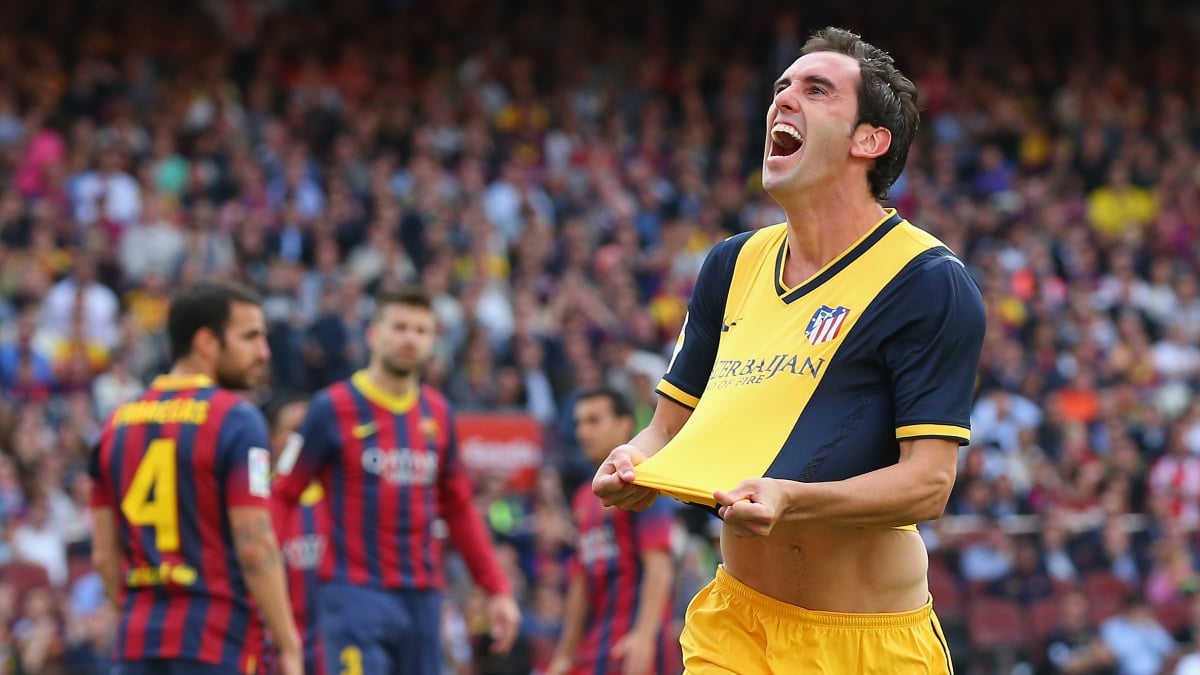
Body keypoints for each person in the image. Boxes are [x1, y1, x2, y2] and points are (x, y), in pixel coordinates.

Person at [593, 27, 986, 673]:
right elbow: (668, 427)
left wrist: (794, 497)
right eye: (781, 88)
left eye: (816, 89)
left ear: (869, 140)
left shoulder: (926, 280)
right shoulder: (730, 262)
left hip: (868, 642)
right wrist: (633, 461)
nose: (783, 100)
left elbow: (928, 484)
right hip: (737, 626)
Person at [272, 285, 521, 675]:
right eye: (400, 327)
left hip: (422, 598)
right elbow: (284, 493)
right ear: (374, 334)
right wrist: (263, 578)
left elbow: (457, 507)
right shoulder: (331, 407)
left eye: (421, 331)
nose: (411, 338)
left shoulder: (437, 412)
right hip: (353, 594)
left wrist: (497, 588)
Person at [89, 281, 302, 675]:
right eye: (250, 337)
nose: (263, 353)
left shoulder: (113, 426)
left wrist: (140, 617)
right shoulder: (238, 421)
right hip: (218, 643)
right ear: (207, 342)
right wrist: (289, 644)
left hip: (137, 645)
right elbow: (255, 545)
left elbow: (104, 557)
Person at [548, 388, 679, 675]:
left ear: (624, 424)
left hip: (632, 647)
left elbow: (659, 565)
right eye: (579, 423)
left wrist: (644, 638)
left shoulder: (643, 482)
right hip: (596, 649)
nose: (583, 432)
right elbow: (582, 578)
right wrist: (564, 654)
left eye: (594, 421)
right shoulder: (585, 496)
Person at [266, 395, 326, 675]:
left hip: (334, 649)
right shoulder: (257, 505)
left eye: (309, 430)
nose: (303, 439)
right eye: (294, 430)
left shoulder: (339, 498)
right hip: (277, 652)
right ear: (275, 438)